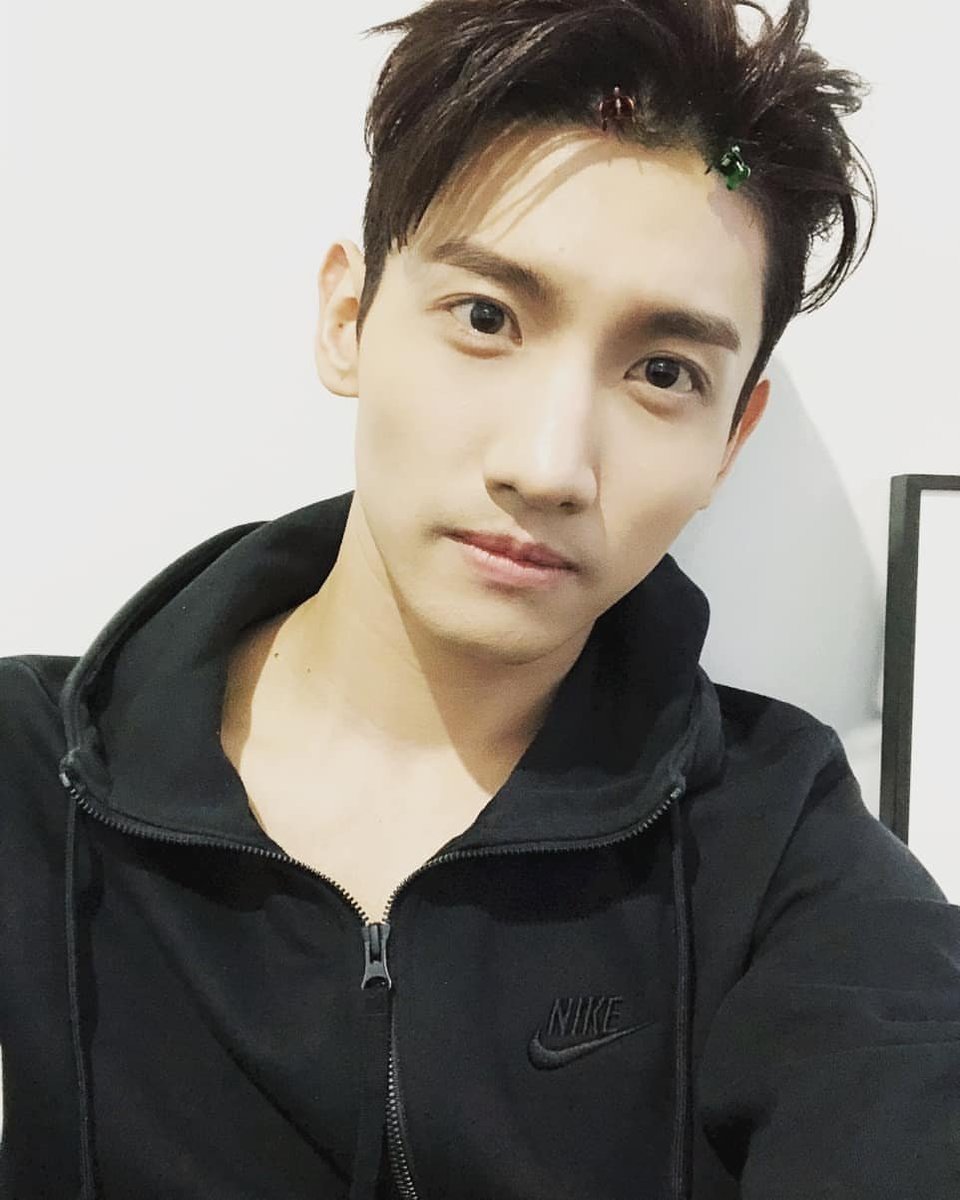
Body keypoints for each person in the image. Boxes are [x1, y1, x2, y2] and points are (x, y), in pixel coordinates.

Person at [2, 0, 958, 1196]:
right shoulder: (27, 778)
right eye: (487, 317)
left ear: (731, 439)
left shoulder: (774, 845)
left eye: (664, 372)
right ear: (349, 319)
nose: (549, 466)